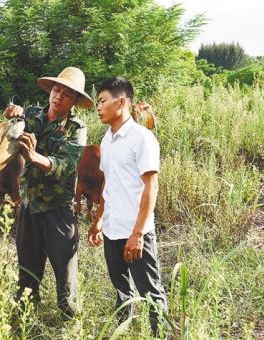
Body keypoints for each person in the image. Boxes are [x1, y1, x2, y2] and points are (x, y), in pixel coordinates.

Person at [4, 66, 93, 319]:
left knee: (66, 283)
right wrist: (12, 115)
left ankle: (70, 323)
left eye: (67, 94)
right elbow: (9, 134)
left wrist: (33, 156)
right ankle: (25, 323)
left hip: (58, 212)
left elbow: (64, 166)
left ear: (75, 100)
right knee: (27, 276)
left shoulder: (77, 129)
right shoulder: (32, 115)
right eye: (56, 90)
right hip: (29, 209)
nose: (58, 96)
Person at [88, 77, 168, 335]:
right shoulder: (106, 140)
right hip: (112, 229)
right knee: (122, 290)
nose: (98, 107)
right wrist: (99, 220)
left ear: (121, 102)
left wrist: (138, 234)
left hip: (135, 232)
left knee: (151, 292)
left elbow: (150, 187)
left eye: (102, 101)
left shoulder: (141, 138)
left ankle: (159, 334)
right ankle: (123, 331)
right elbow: (108, 185)